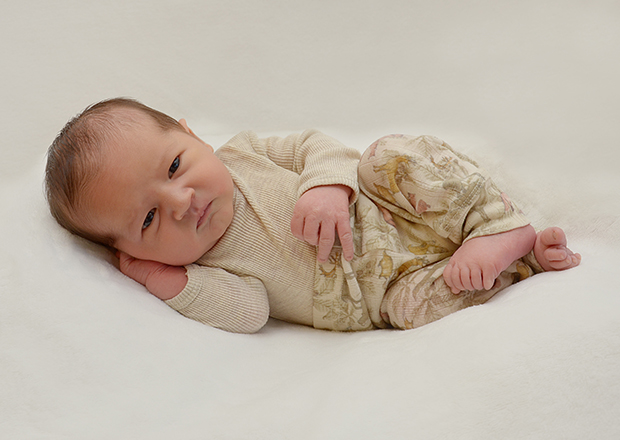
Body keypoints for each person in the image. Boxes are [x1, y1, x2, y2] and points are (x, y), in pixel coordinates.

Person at [45, 98, 581, 333]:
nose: (181, 201)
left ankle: (492, 223)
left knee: (388, 156)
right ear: (126, 251)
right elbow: (249, 312)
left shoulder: (244, 154)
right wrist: (163, 282)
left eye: (175, 166)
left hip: (386, 205)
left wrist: (325, 186)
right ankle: (520, 261)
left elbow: (315, 145)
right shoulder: (204, 271)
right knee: (412, 311)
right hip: (386, 290)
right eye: (148, 220)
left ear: (191, 134)